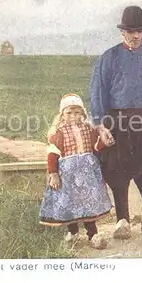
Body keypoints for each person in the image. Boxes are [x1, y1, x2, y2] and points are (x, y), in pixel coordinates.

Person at [90, 5, 142, 245]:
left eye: (140, 31)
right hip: (118, 121)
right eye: (131, 31)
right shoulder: (109, 58)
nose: (136, 36)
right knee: (117, 169)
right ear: (122, 31)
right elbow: (97, 94)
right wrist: (101, 127)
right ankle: (122, 221)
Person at [39, 93, 114, 250]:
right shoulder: (58, 132)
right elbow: (53, 154)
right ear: (62, 114)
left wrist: (105, 144)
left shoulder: (89, 128)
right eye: (69, 112)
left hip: (87, 173)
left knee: (88, 202)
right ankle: (73, 233)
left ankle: (93, 234)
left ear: (83, 113)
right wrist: (53, 174)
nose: (73, 116)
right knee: (70, 203)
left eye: (77, 112)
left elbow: (96, 146)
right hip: (68, 175)